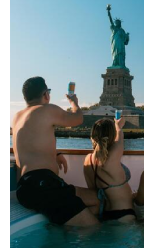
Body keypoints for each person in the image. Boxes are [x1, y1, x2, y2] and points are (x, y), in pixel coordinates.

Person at [13, 77, 100, 227]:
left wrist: (56, 153)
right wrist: (74, 103)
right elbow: (77, 119)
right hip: (43, 185)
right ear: (46, 94)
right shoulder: (47, 109)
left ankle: (65, 230)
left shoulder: (17, 117)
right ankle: (63, 240)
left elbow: (31, 141)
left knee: (96, 199)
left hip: (25, 188)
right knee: (94, 227)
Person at [83, 117, 136, 223]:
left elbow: (93, 191)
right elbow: (120, 140)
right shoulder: (111, 158)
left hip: (105, 215)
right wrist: (118, 126)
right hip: (124, 214)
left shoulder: (88, 159)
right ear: (111, 135)